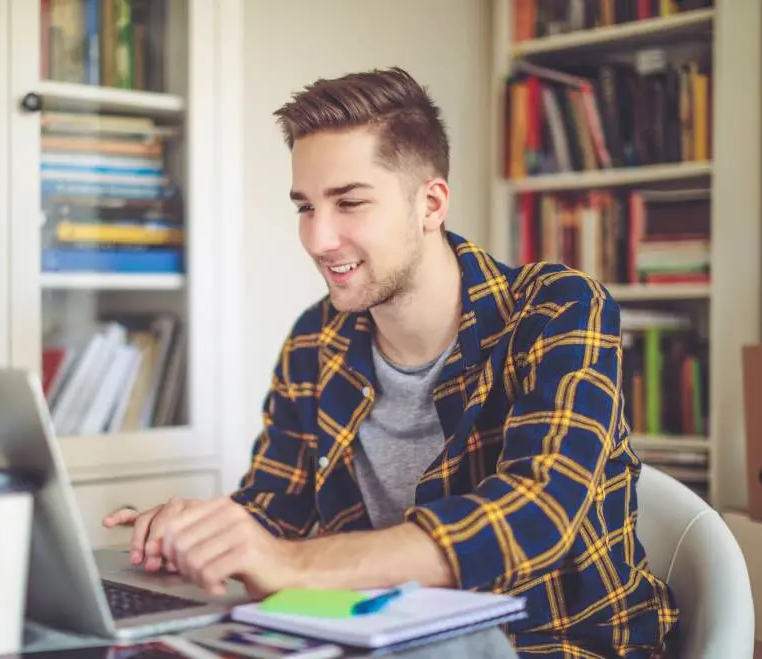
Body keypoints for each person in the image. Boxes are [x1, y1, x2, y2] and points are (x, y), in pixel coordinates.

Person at [104, 66, 678, 658]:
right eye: (305, 206)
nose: (318, 239)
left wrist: (291, 564)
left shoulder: (557, 308)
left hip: (549, 646)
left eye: (349, 202)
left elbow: (538, 512)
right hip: (380, 642)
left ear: (430, 204)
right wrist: (205, 533)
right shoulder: (315, 339)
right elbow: (276, 511)